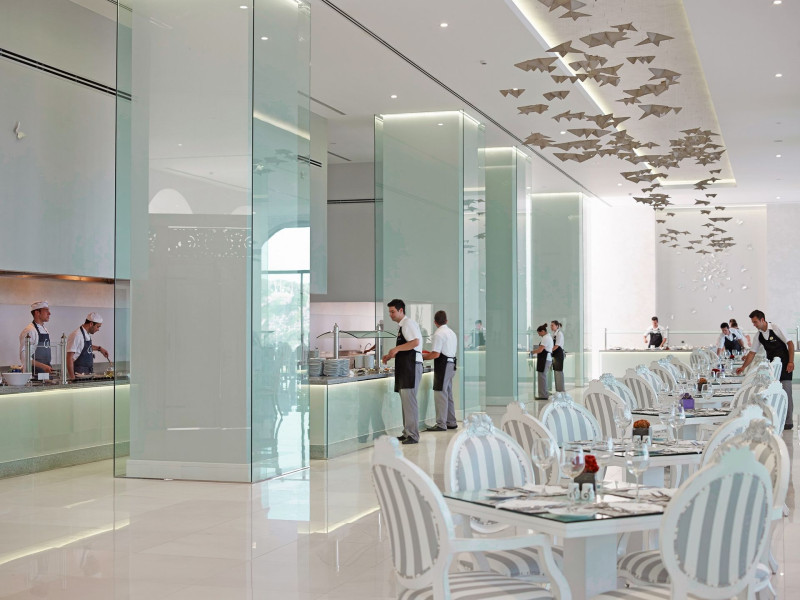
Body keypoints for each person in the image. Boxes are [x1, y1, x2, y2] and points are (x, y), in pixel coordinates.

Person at [736, 309, 794, 430]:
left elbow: (790, 343)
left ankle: (788, 422)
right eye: (753, 322)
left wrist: (791, 362)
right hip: (772, 367)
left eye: (755, 322)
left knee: (786, 392)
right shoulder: (759, 335)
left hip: (785, 364)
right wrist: (743, 367)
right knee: (772, 393)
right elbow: (752, 353)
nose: (754, 325)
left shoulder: (776, 328)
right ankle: (775, 418)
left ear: (762, 320)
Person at [382, 299, 423, 444]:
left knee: (409, 402)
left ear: (401, 310)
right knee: (406, 402)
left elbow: (415, 342)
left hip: (411, 367)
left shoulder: (408, 323)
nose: (390, 315)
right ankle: (407, 432)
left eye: (393, 311)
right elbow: (407, 346)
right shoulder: (402, 326)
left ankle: (413, 435)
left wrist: (396, 348)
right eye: (389, 312)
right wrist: (391, 355)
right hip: (407, 367)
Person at [421, 310, 458, 432]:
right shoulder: (451, 333)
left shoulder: (438, 334)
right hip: (452, 364)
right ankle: (451, 422)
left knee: (440, 394)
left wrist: (422, 357)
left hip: (443, 365)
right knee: (448, 393)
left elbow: (435, 354)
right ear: (446, 321)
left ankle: (441, 423)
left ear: (435, 322)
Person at [67, 313, 109, 379]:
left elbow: (85, 347)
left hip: (87, 373)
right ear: (91, 324)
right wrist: (72, 378)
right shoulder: (76, 335)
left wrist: (99, 349)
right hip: (79, 375)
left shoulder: (86, 334)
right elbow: (69, 358)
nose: (98, 329)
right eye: (98, 327)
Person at [19, 300, 53, 375]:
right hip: (33, 375)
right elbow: (25, 357)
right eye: (46, 310)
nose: (49, 313)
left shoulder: (45, 330)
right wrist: (43, 366)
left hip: (45, 373)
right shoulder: (30, 330)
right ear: (37, 313)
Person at [531, 324, 553, 400]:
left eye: (539, 333)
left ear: (543, 331)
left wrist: (532, 352)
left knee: (542, 377)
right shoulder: (548, 337)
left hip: (545, 359)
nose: (539, 335)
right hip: (547, 359)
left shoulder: (545, 338)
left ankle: (543, 395)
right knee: (543, 377)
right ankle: (544, 394)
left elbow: (540, 350)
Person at [550, 320, 566, 392]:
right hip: (555, 354)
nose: (551, 327)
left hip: (558, 354)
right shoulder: (554, 334)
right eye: (551, 325)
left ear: (557, 326)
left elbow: (556, 346)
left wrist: (549, 351)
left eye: (552, 325)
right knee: (556, 372)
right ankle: (558, 390)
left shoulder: (559, 334)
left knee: (558, 371)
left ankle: (561, 390)